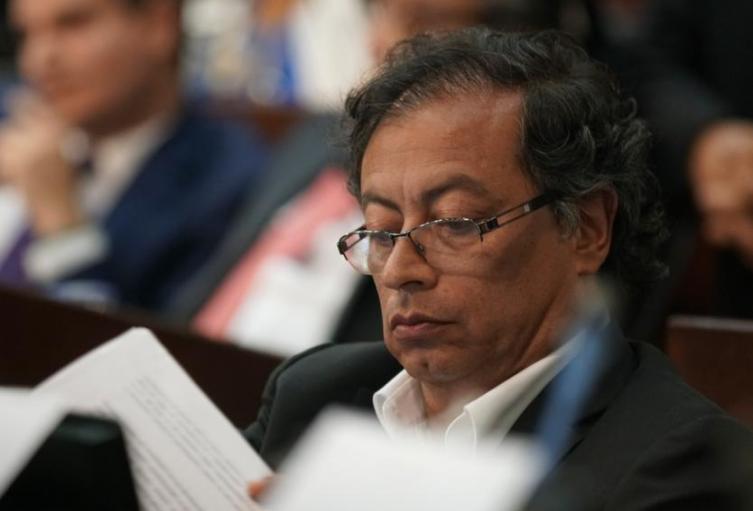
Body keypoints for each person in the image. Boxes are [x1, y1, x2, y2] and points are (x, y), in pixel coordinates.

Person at [243, 29, 753, 509]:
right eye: (381, 229)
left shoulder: (681, 465)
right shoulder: (312, 395)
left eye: (454, 223)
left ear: (587, 228)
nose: (400, 270)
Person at [0, 0, 267, 311]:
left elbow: (137, 341)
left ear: (159, 24)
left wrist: (60, 224)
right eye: (27, 34)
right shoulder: (18, 124)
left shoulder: (228, 182)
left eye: (73, 24)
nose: (38, 61)